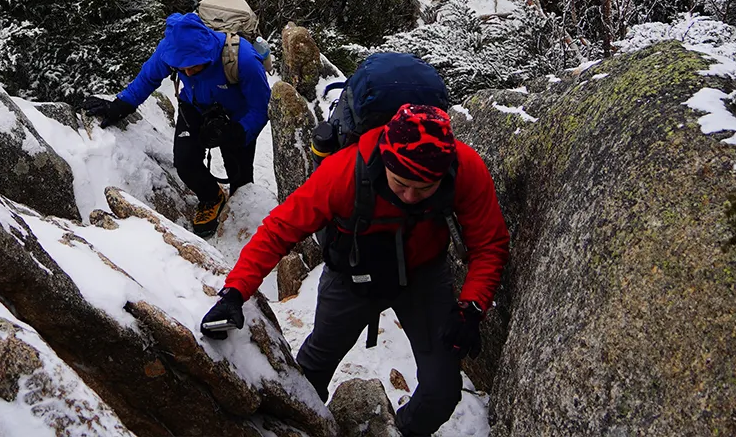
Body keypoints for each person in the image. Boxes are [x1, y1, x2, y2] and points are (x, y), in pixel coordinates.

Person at [198, 103, 508, 437]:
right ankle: (300, 428)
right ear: (385, 162)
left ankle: (399, 432)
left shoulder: (465, 169)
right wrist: (234, 293)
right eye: (401, 183)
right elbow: (278, 230)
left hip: (423, 277)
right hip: (351, 277)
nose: (410, 196)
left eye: (425, 189)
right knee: (313, 368)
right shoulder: (345, 172)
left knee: (442, 389)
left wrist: (472, 307)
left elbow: (490, 243)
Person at [84, 0, 271, 236]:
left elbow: (261, 107)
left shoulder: (242, 58)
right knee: (185, 163)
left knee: (241, 181)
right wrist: (118, 107)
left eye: (194, 66)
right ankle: (211, 197)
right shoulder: (170, 49)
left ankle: (239, 222)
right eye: (183, 68)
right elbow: (147, 79)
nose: (188, 73)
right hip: (193, 107)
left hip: (236, 117)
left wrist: (237, 133)